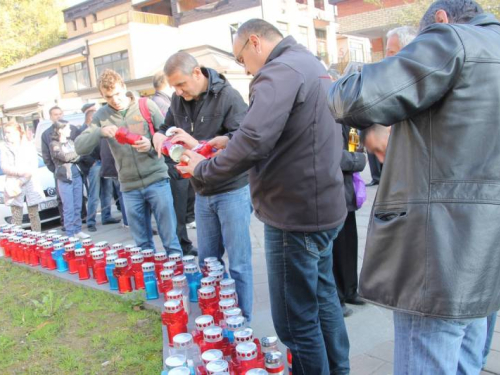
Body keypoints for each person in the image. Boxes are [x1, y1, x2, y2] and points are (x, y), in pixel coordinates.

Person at [328, 1, 500, 373]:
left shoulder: (453, 39)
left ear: (439, 20)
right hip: (486, 256)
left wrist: (358, 72)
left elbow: (351, 97)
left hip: (438, 255)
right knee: (466, 362)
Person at [177, 19, 349, 374]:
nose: (245, 67)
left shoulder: (278, 71)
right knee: (324, 300)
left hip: (293, 213)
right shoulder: (310, 63)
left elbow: (255, 140)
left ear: (254, 42)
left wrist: (202, 169)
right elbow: (284, 132)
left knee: (295, 321)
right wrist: (229, 142)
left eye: (241, 59)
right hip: (322, 205)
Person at [152, 52, 252, 319]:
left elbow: (242, 140)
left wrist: (196, 144)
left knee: (239, 264)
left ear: (197, 72)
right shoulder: (178, 99)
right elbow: (166, 126)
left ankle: (242, 321)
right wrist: (160, 137)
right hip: (202, 191)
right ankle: (217, 315)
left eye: (181, 84)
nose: (178, 91)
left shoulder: (228, 96)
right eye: (173, 86)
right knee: (208, 262)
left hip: (232, 189)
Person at [75, 69, 181, 254]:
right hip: (129, 187)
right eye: (108, 97)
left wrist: (151, 144)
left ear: (124, 87)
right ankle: (150, 281)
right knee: (142, 246)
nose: (115, 99)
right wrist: (99, 131)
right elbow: (80, 147)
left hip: (157, 180)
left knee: (170, 241)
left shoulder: (146, 105)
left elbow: (169, 137)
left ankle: (178, 280)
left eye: (117, 93)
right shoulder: (101, 115)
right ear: (102, 96)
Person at [151, 69, 197, 257]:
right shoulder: (161, 103)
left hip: (181, 159)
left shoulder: (168, 101)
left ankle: (183, 243)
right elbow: (164, 130)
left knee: (183, 205)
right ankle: (182, 246)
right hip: (172, 161)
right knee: (176, 209)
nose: (178, 91)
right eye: (174, 86)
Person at [333, 124, 367, 318]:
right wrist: (358, 159)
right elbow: (332, 155)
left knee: (348, 243)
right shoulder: (327, 112)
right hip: (332, 189)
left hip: (347, 189)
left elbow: (353, 144)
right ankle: (337, 298)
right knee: (335, 247)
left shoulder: (347, 117)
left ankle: (350, 289)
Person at [79, 103, 121, 232]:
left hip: (104, 162)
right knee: (94, 195)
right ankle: (91, 221)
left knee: (106, 192)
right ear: (90, 119)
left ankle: (106, 216)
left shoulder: (101, 129)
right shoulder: (85, 131)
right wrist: (91, 162)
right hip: (95, 164)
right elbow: (82, 151)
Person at [0, 121, 44, 231]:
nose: (6, 135)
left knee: (34, 215)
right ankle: (17, 243)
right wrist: (21, 172)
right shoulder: (4, 147)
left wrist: (22, 180)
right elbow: (5, 167)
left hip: (30, 183)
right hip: (13, 185)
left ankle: (37, 238)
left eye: (9, 132)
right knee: (16, 217)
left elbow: (33, 167)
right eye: (5, 132)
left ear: (17, 132)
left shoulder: (28, 146)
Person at [41, 106, 80, 229]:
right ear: (50, 116)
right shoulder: (48, 136)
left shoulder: (72, 132)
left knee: (77, 203)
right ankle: (68, 227)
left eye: (60, 113)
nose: (58, 116)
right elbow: (52, 156)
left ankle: (78, 226)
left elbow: (79, 152)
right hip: (61, 173)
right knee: (65, 203)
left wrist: (75, 156)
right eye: (55, 114)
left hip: (75, 172)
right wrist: (57, 169)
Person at [49, 122, 89, 239]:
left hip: (77, 176)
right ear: (60, 130)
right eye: (67, 128)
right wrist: (76, 154)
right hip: (65, 178)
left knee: (78, 205)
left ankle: (77, 229)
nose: (70, 130)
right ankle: (70, 232)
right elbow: (64, 157)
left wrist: (75, 155)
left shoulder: (70, 142)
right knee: (68, 207)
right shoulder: (54, 144)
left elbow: (80, 156)